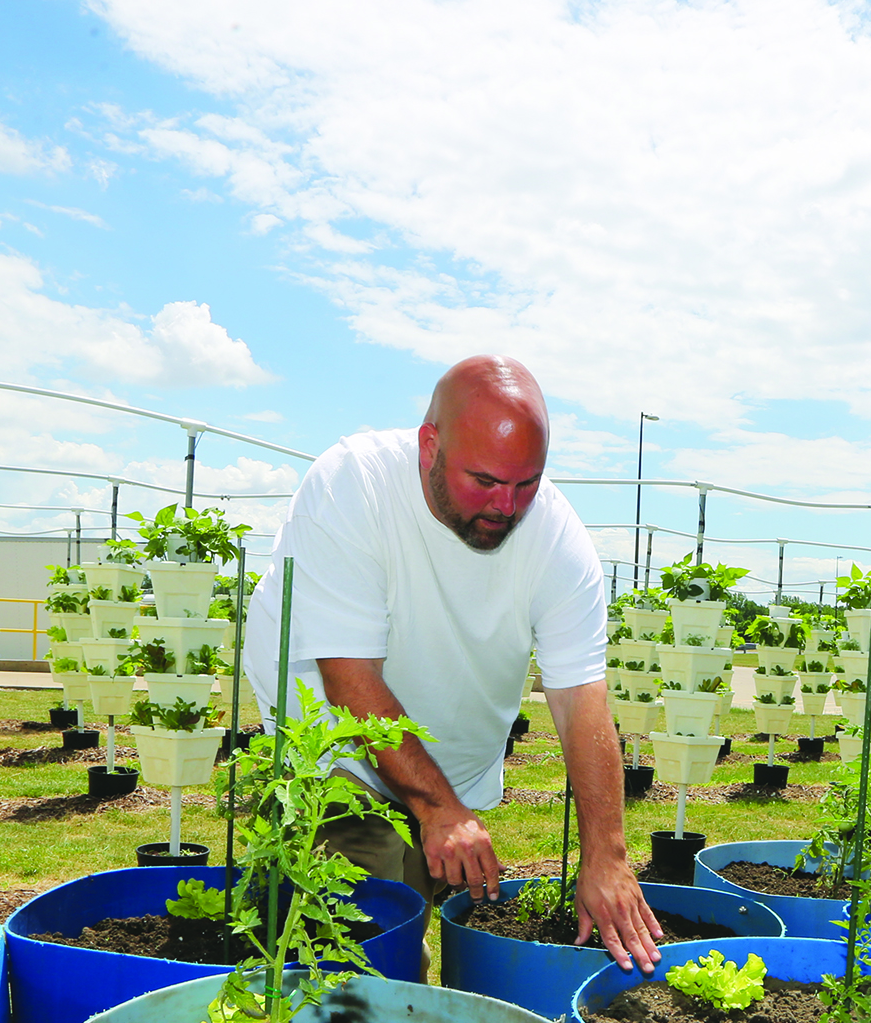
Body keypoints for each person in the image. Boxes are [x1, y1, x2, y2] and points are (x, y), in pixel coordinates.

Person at [244, 355, 662, 969]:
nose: (507, 505)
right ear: (429, 444)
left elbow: (581, 700)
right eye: (486, 481)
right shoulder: (354, 484)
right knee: (354, 933)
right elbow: (349, 678)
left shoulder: (557, 538)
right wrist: (439, 810)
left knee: (409, 915)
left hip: (450, 766)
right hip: (339, 749)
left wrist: (607, 854)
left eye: (527, 484)